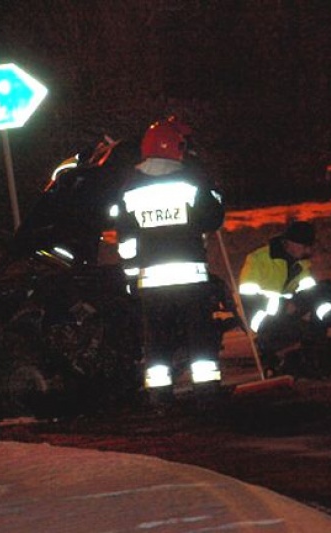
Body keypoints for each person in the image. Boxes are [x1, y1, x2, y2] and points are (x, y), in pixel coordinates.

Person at [114, 116, 226, 405]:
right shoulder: (190, 182)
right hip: (190, 278)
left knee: (157, 338)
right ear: (175, 147)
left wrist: (130, 277)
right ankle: (206, 392)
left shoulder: (129, 189)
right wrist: (212, 189)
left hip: (151, 282)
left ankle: (160, 394)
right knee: (198, 334)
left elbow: (126, 240)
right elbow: (213, 219)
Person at [238, 220, 331, 377]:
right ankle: (280, 350)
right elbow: (248, 299)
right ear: (288, 243)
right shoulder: (258, 260)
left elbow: (313, 299)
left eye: (309, 246)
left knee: (324, 288)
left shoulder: (301, 265)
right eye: (304, 246)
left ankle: (313, 347)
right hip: (262, 319)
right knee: (303, 332)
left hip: (287, 315)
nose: (307, 250)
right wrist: (284, 306)